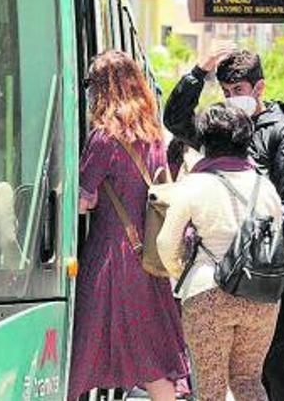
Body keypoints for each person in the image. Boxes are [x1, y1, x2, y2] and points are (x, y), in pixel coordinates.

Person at [163, 44, 284, 401]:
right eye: (226, 92)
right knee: (232, 380)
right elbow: (176, 120)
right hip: (218, 271)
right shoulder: (221, 130)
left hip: (265, 269)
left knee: (277, 362)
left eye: (238, 92)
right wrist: (198, 71)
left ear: (259, 88)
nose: (231, 99)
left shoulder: (279, 131)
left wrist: (256, 243)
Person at [69, 51, 189, 401]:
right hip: (150, 258)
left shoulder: (103, 138)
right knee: (150, 355)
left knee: (83, 349)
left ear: (102, 89)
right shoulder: (152, 136)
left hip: (111, 256)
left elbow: (84, 199)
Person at [157, 103, 284, 401]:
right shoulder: (265, 187)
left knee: (211, 389)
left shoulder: (195, 184)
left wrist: (182, 275)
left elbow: (165, 243)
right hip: (261, 296)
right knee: (248, 382)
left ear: (204, 141)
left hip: (207, 293)